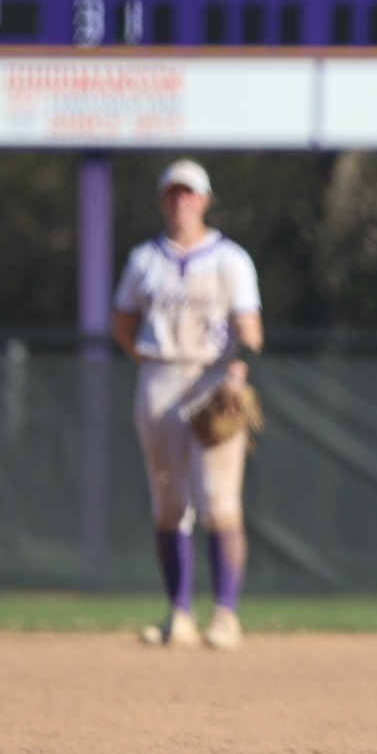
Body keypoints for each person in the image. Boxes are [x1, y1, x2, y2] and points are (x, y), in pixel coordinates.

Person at [111, 159, 263, 651]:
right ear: (163, 201)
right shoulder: (144, 259)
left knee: (220, 502)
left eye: (189, 193)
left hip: (214, 379)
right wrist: (146, 359)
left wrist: (238, 369)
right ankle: (178, 614)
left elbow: (251, 328)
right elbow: (122, 322)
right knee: (170, 504)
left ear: (205, 200)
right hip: (159, 376)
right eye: (173, 194)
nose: (181, 201)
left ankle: (225, 615)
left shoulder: (230, 259)